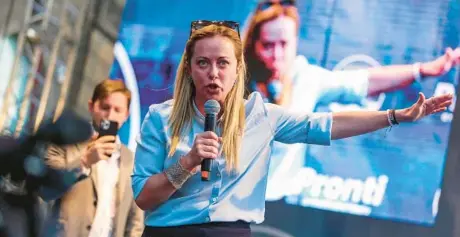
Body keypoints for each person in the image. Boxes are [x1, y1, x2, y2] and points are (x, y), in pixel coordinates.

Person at [132, 20, 452, 237]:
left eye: (223, 63)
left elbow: (327, 125)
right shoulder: (160, 118)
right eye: (203, 63)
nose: (213, 73)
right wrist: (187, 163)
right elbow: (144, 199)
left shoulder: (261, 115)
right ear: (189, 69)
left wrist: (395, 115)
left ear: (237, 68)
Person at [242, 0, 460, 200]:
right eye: (268, 45)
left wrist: (422, 70)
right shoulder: (233, 84)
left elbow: (363, 81)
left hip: (280, 204)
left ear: (296, 41)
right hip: (234, 206)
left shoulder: (305, 78)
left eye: (284, 44)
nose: (277, 55)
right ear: (253, 44)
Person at [41, 79, 144, 237]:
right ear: (91, 106)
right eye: (105, 107)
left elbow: (135, 220)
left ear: (126, 115)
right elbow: (46, 189)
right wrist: (84, 161)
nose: (110, 115)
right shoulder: (66, 141)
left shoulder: (131, 161)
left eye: (117, 110)